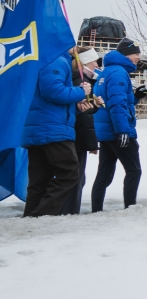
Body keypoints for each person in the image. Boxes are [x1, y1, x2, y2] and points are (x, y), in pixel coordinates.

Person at [21, 50, 92, 217]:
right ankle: (42, 215)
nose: (75, 47)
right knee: (69, 173)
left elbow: (46, 98)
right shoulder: (55, 59)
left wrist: (76, 105)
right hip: (52, 129)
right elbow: (53, 91)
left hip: (40, 126)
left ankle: (31, 220)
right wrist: (81, 92)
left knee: (39, 180)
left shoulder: (43, 57)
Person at [90, 38, 143, 212]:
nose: (138, 58)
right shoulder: (119, 73)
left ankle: (96, 209)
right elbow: (117, 104)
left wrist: (135, 97)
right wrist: (123, 131)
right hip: (117, 131)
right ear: (127, 55)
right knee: (134, 170)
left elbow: (117, 102)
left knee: (104, 174)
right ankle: (130, 208)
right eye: (136, 54)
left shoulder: (106, 72)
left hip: (106, 131)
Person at [64, 47, 102, 215]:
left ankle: (70, 212)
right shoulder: (80, 81)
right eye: (94, 61)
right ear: (85, 62)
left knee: (78, 178)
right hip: (76, 138)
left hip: (74, 136)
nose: (97, 65)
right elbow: (83, 117)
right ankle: (70, 213)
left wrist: (94, 105)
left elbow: (84, 110)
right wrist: (91, 144)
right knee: (75, 178)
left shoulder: (82, 80)